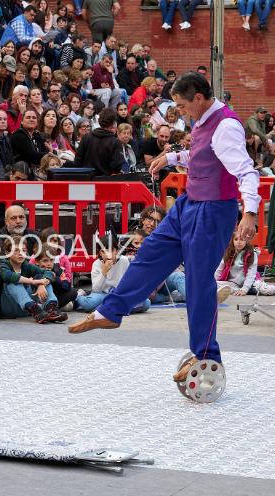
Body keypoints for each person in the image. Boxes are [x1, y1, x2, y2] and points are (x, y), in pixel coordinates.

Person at [68, 72, 260, 388]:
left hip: (213, 210)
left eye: (182, 106)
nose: (180, 112)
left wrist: (249, 213)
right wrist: (172, 156)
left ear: (199, 98)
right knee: (151, 252)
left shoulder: (226, 126)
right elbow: (203, 155)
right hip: (189, 203)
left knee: (198, 282)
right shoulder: (204, 119)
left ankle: (206, 353)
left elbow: (246, 172)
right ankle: (111, 311)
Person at [0, 236, 66, 323]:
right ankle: (36, 310)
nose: (20, 253)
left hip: (26, 311)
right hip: (8, 308)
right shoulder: (3, 264)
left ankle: (51, 309)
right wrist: (33, 281)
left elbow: (49, 273)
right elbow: (7, 276)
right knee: (14, 282)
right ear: (7, 252)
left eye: (23, 250)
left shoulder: (26, 266)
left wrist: (41, 284)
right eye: (16, 250)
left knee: (42, 277)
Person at [215, 230, 275, 298]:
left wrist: (245, 289)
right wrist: (212, 282)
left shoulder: (251, 254)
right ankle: (249, 291)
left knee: (266, 290)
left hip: (251, 282)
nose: (239, 242)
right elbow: (219, 269)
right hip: (234, 283)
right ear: (232, 241)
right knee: (214, 285)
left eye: (242, 239)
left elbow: (251, 274)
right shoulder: (228, 253)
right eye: (236, 239)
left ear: (247, 241)